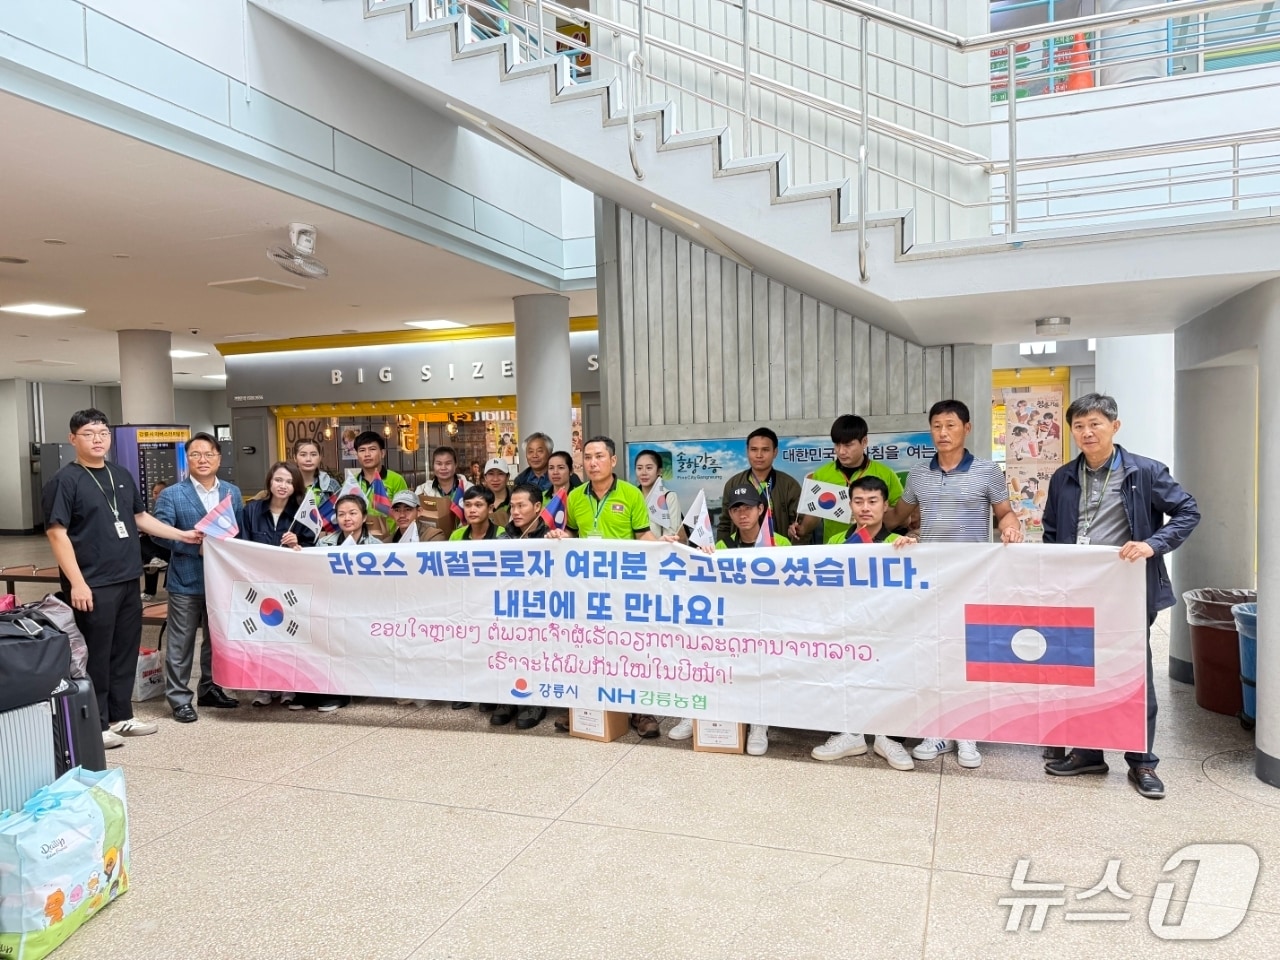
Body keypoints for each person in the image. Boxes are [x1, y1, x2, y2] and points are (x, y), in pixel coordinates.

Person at [1042, 393, 1199, 800]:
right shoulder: (1063, 477)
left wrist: (1152, 544)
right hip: (1077, 594)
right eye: (1078, 426)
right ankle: (1089, 752)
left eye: (1095, 423)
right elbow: (1051, 530)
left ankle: (1142, 761)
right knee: (1081, 673)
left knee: (1132, 675)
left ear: (1115, 425)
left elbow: (1188, 511)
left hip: (1127, 592)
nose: (1087, 432)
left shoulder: (1143, 472)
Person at [43, 410, 202, 749]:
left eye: (102, 432)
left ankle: (121, 716)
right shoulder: (65, 480)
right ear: (73, 439)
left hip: (128, 575)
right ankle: (96, 723)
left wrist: (182, 536)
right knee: (96, 654)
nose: (98, 439)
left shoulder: (120, 474)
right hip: (92, 582)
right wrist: (78, 583)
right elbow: (57, 534)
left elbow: (140, 517)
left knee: (124, 651)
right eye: (89, 433)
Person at [885, 399, 1024, 770]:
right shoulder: (918, 474)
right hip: (931, 580)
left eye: (950, 425)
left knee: (968, 655)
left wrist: (1010, 527)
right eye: (936, 426)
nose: (942, 433)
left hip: (973, 579)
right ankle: (937, 730)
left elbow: (1005, 513)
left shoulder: (987, 471)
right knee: (932, 653)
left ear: (967, 428)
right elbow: (898, 516)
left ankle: (968, 732)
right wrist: (864, 513)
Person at [547, 435, 674, 738]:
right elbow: (573, 535)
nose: (593, 463)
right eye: (588, 457)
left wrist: (663, 548)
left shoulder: (631, 495)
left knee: (629, 647)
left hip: (624, 587)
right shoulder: (574, 496)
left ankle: (640, 711)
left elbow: (642, 535)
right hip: (586, 587)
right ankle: (582, 707)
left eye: (599, 456)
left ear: (613, 461)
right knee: (586, 647)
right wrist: (559, 537)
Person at [670, 485, 790, 755]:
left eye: (748, 507)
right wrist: (701, 557)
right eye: (736, 509)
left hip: (768, 624)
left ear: (761, 509)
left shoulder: (780, 543)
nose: (742, 513)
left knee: (764, 662)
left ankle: (759, 722)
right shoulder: (722, 546)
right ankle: (697, 713)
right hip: (731, 623)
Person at [810, 476, 917, 771]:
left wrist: (912, 551)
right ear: (849, 505)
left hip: (887, 632)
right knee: (841, 676)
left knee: (894, 676)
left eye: (872, 502)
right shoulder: (836, 542)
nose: (865, 508)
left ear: (886, 505)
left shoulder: (899, 543)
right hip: (846, 629)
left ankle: (889, 737)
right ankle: (849, 734)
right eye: (858, 501)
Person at [152, 433, 246, 724]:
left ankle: (210, 688)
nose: (202, 460)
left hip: (222, 580)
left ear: (218, 458)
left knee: (215, 639)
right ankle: (179, 699)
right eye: (195, 454)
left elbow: (239, 530)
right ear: (187, 459)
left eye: (208, 454)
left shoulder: (232, 492)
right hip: (186, 577)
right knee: (181, 641)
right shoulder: (171, 494)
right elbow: (158, 533)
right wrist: (192, 543)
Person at [240, 461, 314, 708]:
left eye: (289, 482)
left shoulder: (302, 514)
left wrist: (298, 543)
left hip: (289, 587)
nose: (283, 486)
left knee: (288, 636)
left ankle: (287, 687)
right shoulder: (251, 511)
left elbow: (314, 549)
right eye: (278, 480)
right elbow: (241, 546)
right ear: (270, 482)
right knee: (262, 637)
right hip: (258, 586)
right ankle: (263, 687)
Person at [301, 494, 381, 713]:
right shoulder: (324, 542)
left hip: (361, 607)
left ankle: (343, 692)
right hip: (329, 604)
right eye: (341, 514)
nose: (347, 518)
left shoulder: (377, 546)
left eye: (353, 513)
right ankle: (317, 688)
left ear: (364, 517)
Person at [489, 482, 553, 730]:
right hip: (509, 607)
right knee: (508, 651)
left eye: (521, 506)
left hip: (540, 610)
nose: (515, 511)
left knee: (536, 653)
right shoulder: (502, 538)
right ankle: (507, 699)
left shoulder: (551, 538)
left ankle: (535, 700)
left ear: (537, 507)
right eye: (512, 506)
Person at [795, 416, 903, 544]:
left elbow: (901, 516)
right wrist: (801, 529)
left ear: (864, 442)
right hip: (836, 546)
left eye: (848, 445)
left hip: (877, 547)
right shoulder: (821, 474)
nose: (841, 451)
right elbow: (814, 513)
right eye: (837, 445)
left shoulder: (886, 474)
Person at [715, 428, 802, 546]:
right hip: (740, 552)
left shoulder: (789, 485)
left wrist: (795, 529)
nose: (759, 455)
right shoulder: (733, 484)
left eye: (765, 450)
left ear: (775, 452)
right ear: (747, 451)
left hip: (778, 552)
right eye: (754, 449)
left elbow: (798, 524)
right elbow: (725, 523)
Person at [632, 449, 684, 540]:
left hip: (659, 551)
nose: (644, 473)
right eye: (639, 468)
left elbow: (671, 534)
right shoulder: (631, 495)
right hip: (634, 552)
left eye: (649, 468)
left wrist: (658, 542)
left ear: (659, 471)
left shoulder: (668, 497)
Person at [140, 480, 170, 601]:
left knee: (145, 544)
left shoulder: (172, 505)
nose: (157, 496)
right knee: (145, 543)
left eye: (161, 492)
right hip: (160, 543)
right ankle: (154, 559)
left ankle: (150, 591)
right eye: (155, 493)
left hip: (172, 545)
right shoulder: (156, 509)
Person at [293, 438, 341, 504]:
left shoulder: (331, 484)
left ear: (320, 457)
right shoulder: (287, 484)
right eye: (303, 455)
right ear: (295, 458)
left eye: (313, 454)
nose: (308, 459)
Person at [481, 458, 512, 526]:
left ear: (507, 477)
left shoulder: (515, 501)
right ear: (485, 477)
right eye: (491, 474)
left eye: (500, 474)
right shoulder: (478, 501)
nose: (495, 479)